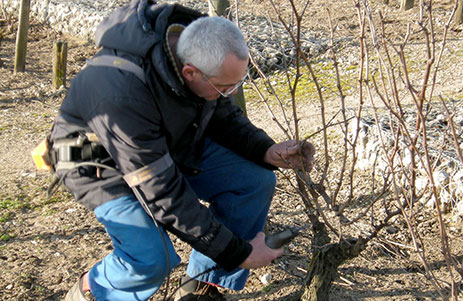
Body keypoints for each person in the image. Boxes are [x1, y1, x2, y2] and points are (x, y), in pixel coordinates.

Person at [51, 0, 314, 300]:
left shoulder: (197, 48)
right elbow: (164, 194)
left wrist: (266, 150)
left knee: (253, 182)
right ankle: (92, 289)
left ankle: (202, 286)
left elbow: (221, 114)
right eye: (226, 87)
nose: (230, 93)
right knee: (152, 257)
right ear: (190, 73)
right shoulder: (121, 93)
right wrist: (238, 253)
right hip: (98, 163)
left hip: (161, 146)